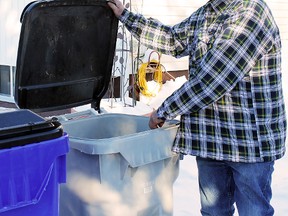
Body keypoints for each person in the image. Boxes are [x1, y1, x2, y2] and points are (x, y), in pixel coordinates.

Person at [108, 0, 287, 215]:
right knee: (213, 213)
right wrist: (126, 16)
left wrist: (165, 109)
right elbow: (172, 39)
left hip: (248, 145)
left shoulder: (250, 12)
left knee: (253, 213)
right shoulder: (208, 13)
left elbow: (214, 79)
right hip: (211, 140)